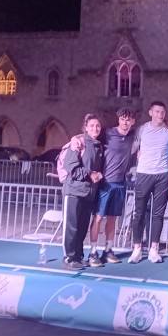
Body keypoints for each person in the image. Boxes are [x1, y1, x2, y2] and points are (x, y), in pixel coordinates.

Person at [87, 107, 136, 267]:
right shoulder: (107, 133)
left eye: (128, 119)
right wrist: (75, 139)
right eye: (122, 119)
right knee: (98, 217)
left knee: (112, 219)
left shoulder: (132, 136)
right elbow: (89, 137)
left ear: (133, 121)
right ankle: (93, 252)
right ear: (118, 119)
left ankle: (108, 250)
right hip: (105, 183)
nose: (125, 122)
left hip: (120, 184)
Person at [128, 101, 168, 264]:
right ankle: (137, 249)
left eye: (162, 112)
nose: (160, 115)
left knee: (158, 214)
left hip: (162, 175)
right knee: (139, 213)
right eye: (157, 111)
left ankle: (154, 249)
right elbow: (131, 148)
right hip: (143, 174)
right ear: (150, 113)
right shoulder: (142, 129)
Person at [62, 114, 104, 270]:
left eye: (98, 126)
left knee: (81, 228)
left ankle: (78, 256)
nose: (95, 128)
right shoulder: (79, 142)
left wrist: (97, 175)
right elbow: (70, 167)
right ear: (86, 127)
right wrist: (90, 174)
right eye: (92, 126)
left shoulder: (98, 145)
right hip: (74, 192)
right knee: (71, 227)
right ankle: (69, 257)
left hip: (88, 193)